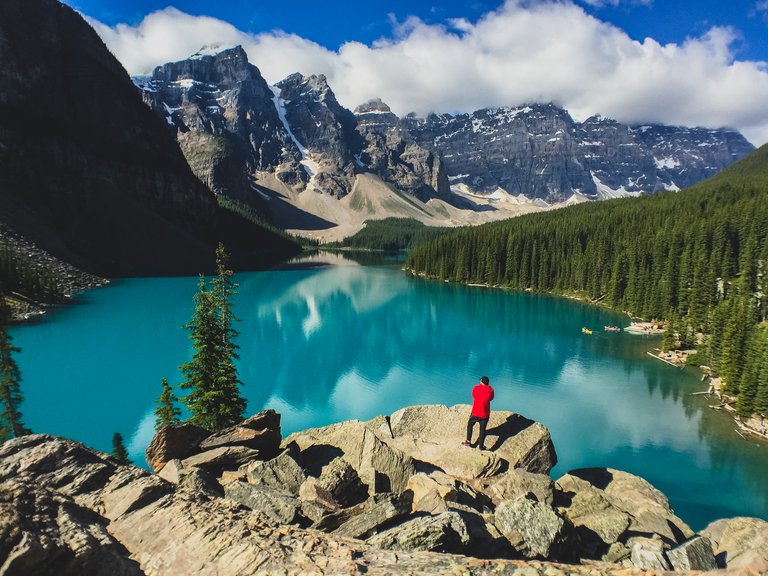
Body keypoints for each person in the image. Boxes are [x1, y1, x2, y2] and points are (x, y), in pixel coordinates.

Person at [463, 375, 494, 450]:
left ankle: (468, 441)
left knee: (470, 425)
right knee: (483, 430)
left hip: (475, 412)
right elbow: (491, 398)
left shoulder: (476, 388)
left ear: (481, 382)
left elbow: (473, 395)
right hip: (485, 414)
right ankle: (481, 446)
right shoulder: (491, 391)